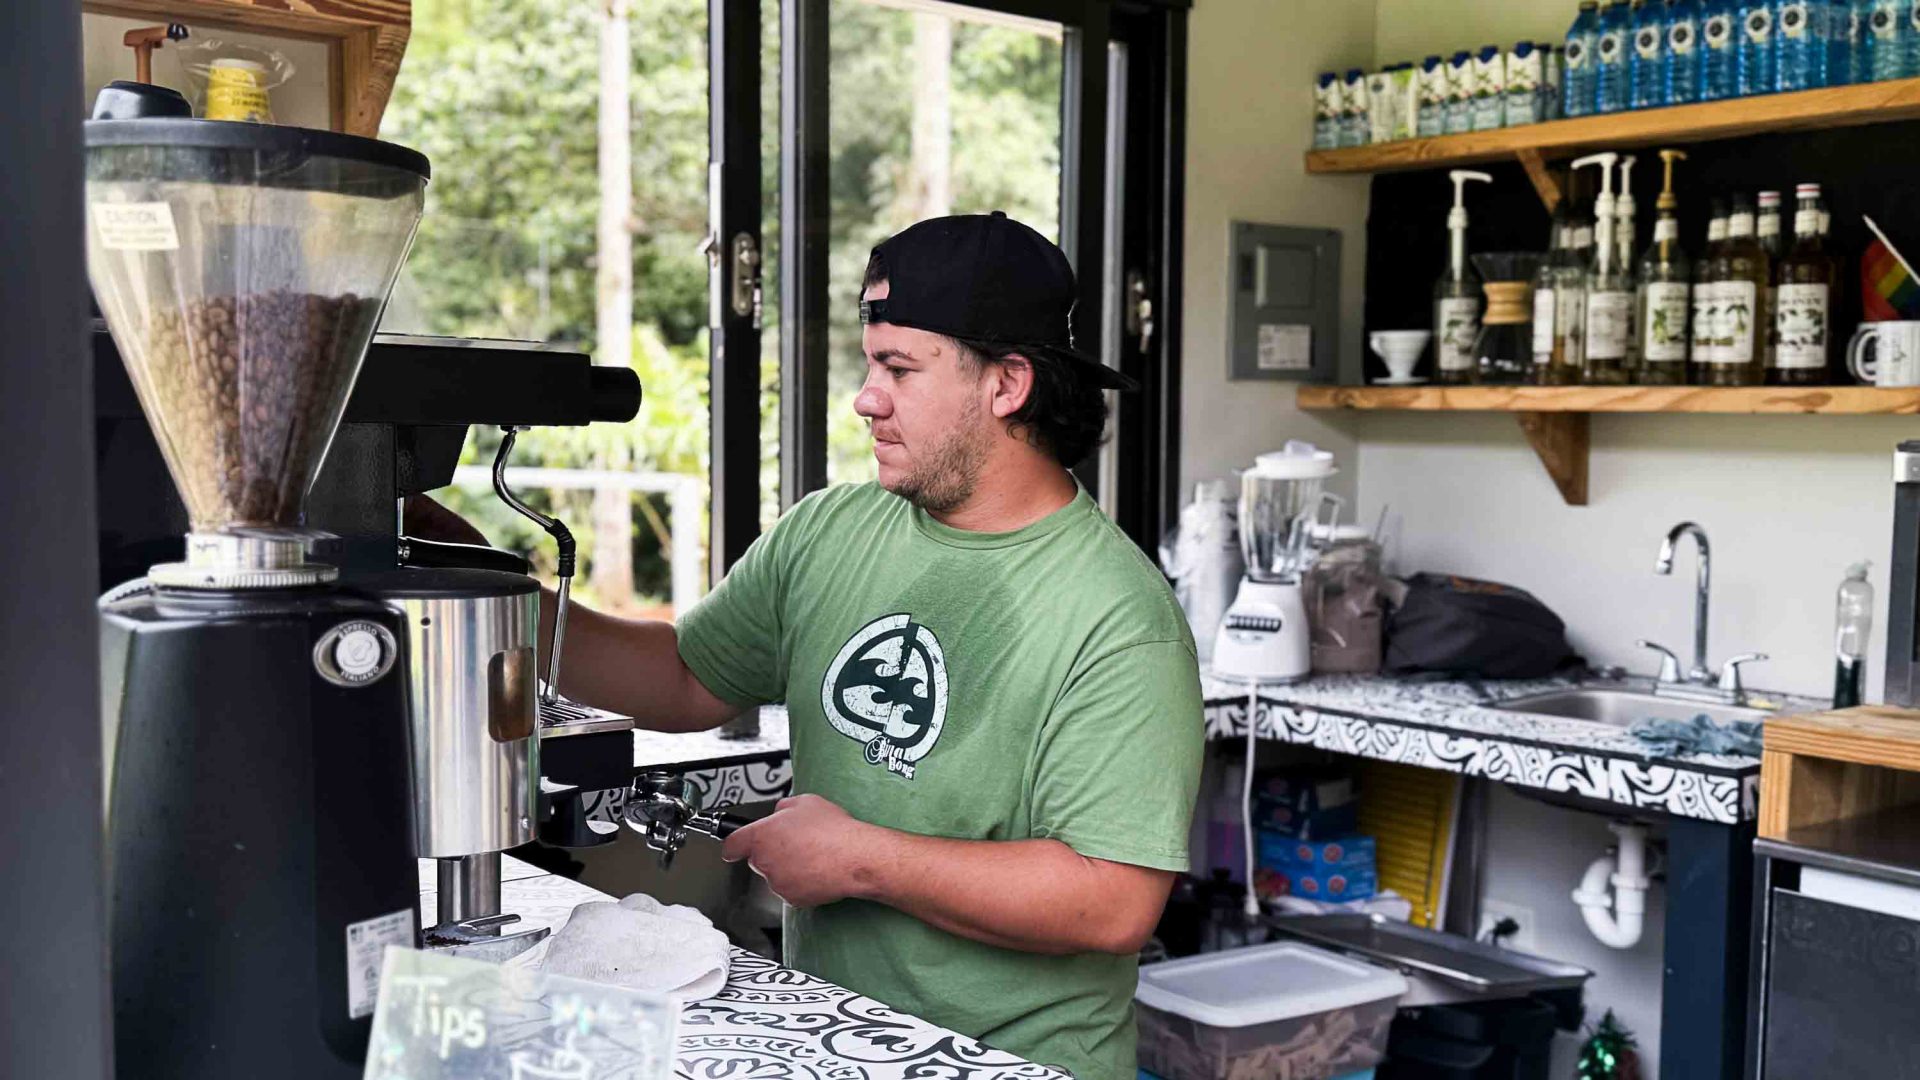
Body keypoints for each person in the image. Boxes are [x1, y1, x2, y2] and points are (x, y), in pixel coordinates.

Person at [409, 212, 1203, 1079]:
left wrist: (862, 860)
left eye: (900, 369)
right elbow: (683, 678)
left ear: (1007, 384)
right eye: (871, 364)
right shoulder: (832, 530)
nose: (867, 397)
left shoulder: (1119, 617)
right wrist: (493, 592)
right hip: (838, 1037)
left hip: (1007, 1065)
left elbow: (1111, 901)